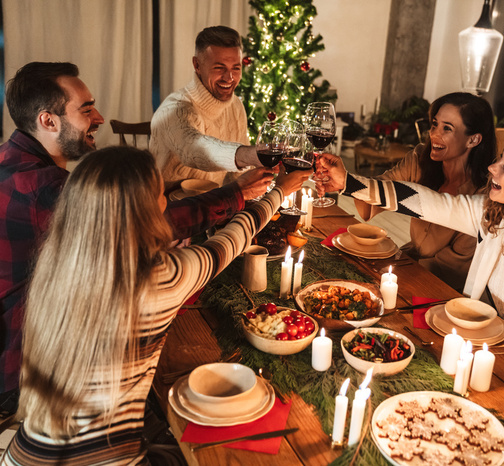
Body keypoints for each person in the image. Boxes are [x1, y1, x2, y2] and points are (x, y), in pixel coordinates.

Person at [0, 146, 307, 464]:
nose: (167, 202)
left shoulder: (52, 263)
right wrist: (280, 191)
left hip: (24, 454)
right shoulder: (159, 275)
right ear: (146, 211)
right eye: (162, 194)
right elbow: (232, 239)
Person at [0, 62, 273, 409]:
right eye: (86, 109)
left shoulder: (11, 161)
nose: (98, 117)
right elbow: (152, 223)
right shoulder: (45, 192)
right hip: (33, 376)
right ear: (47, 121)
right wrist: (241, 194)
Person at [319, 129, 504, 387]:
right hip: (496, 345)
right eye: (499, 159)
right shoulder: (496, 212)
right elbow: (427, 202)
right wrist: (348, 182)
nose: (492, 168)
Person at [354, 92, 496, 290]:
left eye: (447, 128)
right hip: (404, 265)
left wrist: (389, 265)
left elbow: (447, 270)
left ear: (473, 140)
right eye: (435, 124)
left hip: (442, 290)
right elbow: (374, 194)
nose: (434, 134)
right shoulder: (420, 160)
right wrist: (345, 182)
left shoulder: (483, 197)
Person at [150, 25, 260, 186]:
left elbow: (235, 178)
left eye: (236, 68)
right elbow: (195, 149)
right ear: (197, 65)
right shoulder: (174, 110)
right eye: (219, 68)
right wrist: (249, 154)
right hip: (166, 207)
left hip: (213, 207)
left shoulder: (236, 106)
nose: (229, 78)